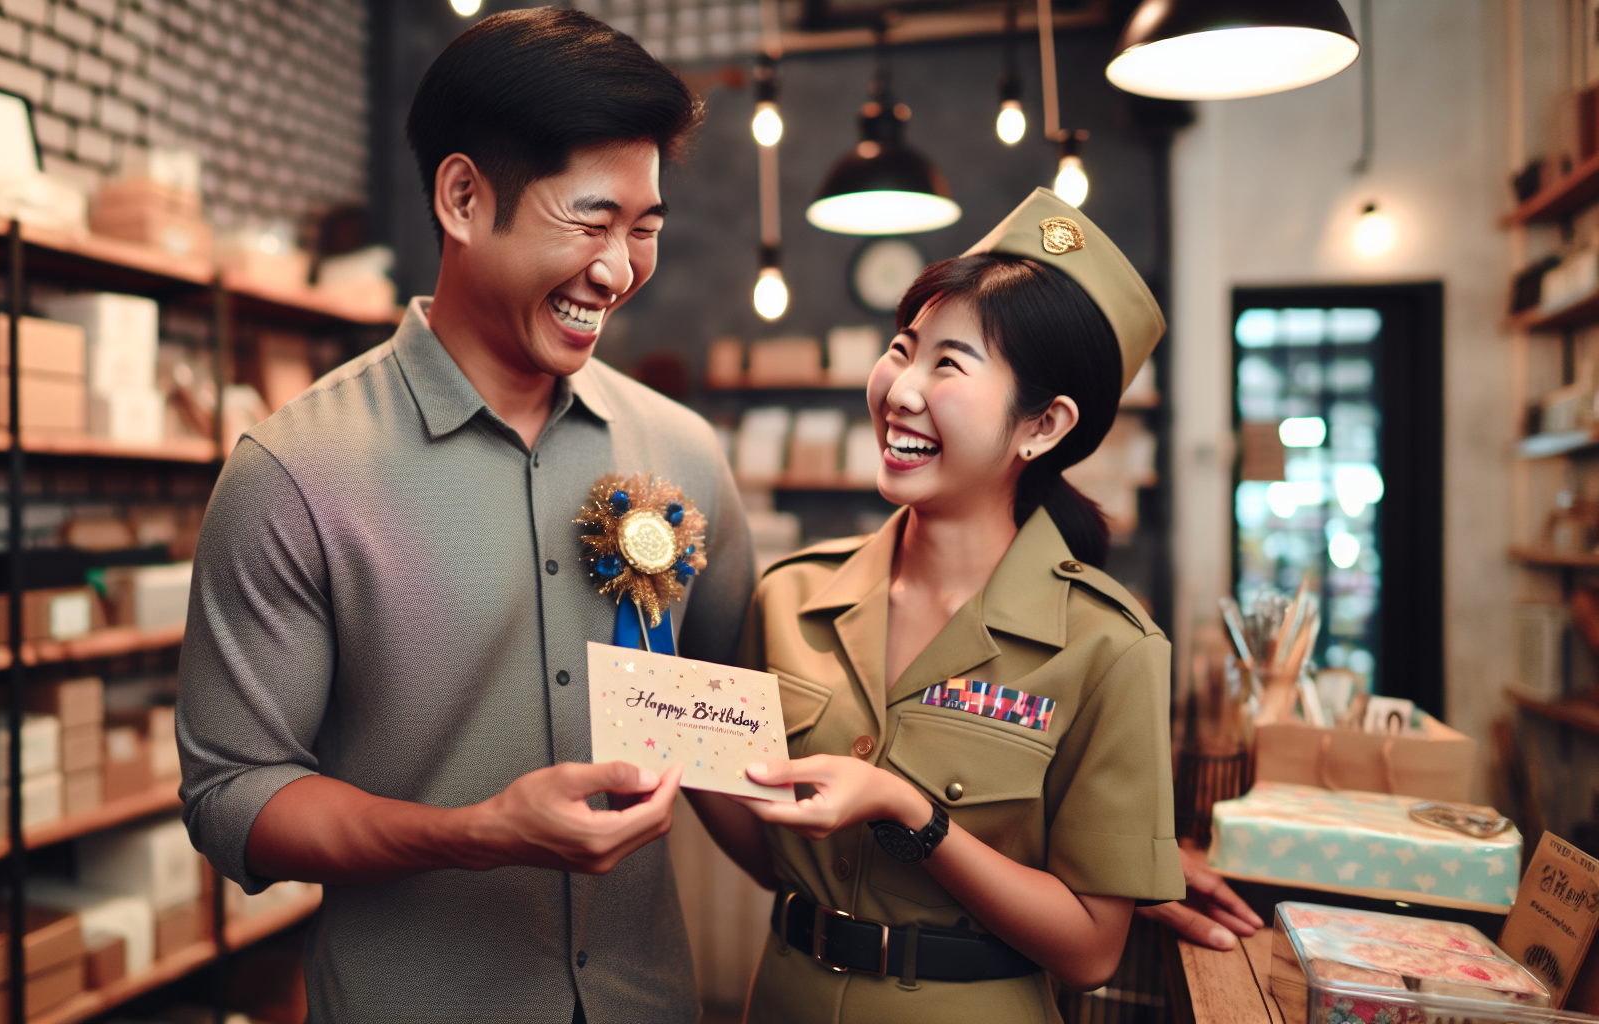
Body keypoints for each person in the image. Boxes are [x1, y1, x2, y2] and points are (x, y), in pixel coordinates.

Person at [174, 10, 752, 1022]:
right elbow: (233, 797)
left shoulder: (684, 454)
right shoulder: (295, 472)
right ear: (462, 197)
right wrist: (475, 830)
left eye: (645, 229)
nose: (618, 272)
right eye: (589, 220)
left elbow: (731, 731)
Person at [687, 188, 1186, 1023]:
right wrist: (665, 722)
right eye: (901, 348)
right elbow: (771, 857)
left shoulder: (1110, 648)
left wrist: (907, 810)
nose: (900, 390)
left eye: (948, 364)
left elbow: (1092, 949)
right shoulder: (792, 595)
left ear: (1044, 425)